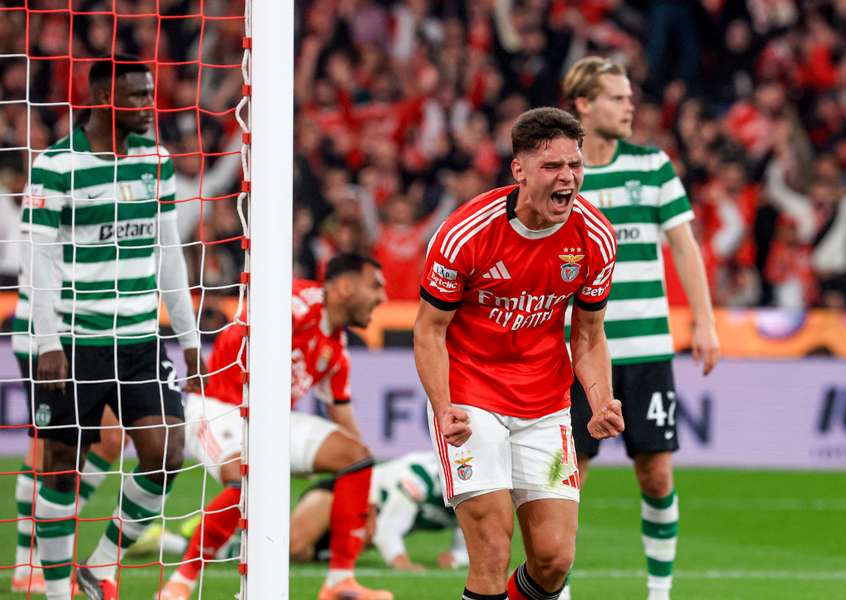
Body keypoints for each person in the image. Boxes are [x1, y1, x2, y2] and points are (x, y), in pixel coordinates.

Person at [415, 106, 623, 600]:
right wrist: (444, 406)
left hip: (546, 405)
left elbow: (589, 336)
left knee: (553, 560)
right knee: (490, 549)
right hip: (471, 399)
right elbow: (429, 331)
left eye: (575, 166)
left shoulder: (595, 238)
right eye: (553, 167)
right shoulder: (464, 233)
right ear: (520, 170)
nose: (568, 178)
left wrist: (600, 400)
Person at [21, 55, 206, 600]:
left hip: (141, 338)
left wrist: (189, 337)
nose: (147, 106)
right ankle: (55, 592)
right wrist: (48, 341)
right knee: (60, 468)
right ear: (102, 99)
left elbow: (170, 250)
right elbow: (38, 258)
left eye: (148, 94)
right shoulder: (57, 166)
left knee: (167, 451)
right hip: (76, 342)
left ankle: (100, 565)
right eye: (134, 97)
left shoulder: (156, 159)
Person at [561, 56, 720, 600]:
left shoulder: (653, 166)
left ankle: (659, 593)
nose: (630, 106)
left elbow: (685, 247)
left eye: (630, 97)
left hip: (647, 349)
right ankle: (559, 589)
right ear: (584, 104)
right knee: (567, 480)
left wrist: (704, 321)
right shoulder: (564, 175)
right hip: (578, 352)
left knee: (655, 475)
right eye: (617, 97)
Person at [160, 253, 392, 600]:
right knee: (247, 477)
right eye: (375, 286)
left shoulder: (335, 346)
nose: (382, 298)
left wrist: (368, 492)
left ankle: (339, 582)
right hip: (222, 408)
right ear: (344, 287)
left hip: (272, 421)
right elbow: (239, 333)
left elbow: (343, 417)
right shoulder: (296, 305)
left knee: (355, 457)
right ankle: (180, 584)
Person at [8, 251, 127, 594]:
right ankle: (27, 564)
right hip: (48, 329)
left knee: (110, 439)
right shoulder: (53, 199)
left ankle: (47, 551)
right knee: (49, 442)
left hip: (96, 325)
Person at [290, 450, 467, 571]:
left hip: (360, 533)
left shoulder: (473, 496)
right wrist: (402, 562)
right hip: (343, 495)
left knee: (304, 556)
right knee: (293, 546)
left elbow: (475, 540)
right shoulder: (422, 478)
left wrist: (456, 557)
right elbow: (386, 529)